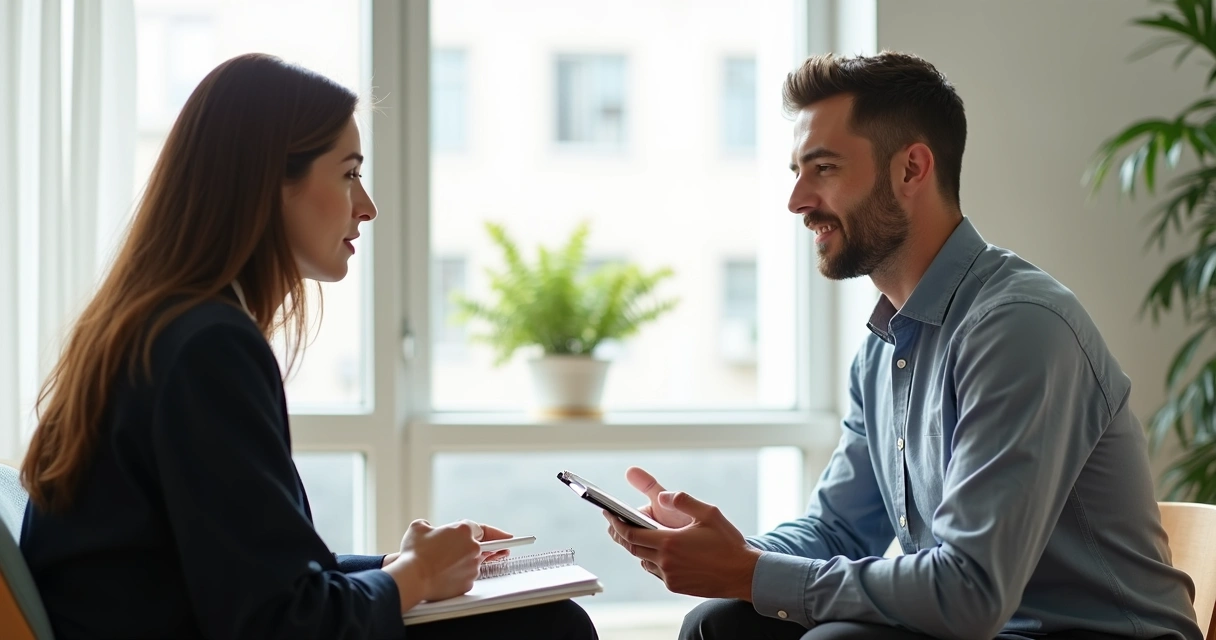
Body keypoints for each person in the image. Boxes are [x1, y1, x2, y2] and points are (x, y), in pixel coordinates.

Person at [603, 51, 1204, 640]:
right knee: (720, 624)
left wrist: (748, 571)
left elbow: (970, 592)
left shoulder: (1019, 326)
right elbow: (838, 530)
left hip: (1080, 633)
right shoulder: (886, 345)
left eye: (825, 169)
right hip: (979, 627)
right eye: (797, 173)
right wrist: (726, 552)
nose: (798, 201)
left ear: (912, 169)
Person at [18, 53, 597, 640]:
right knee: (551, 628)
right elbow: (280, 621)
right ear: (269, 183)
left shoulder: (161, 329)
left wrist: (406, 569)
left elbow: (252, 578)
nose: (367, 206)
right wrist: (414, 575)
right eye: (349, 174)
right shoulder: (207, 347)